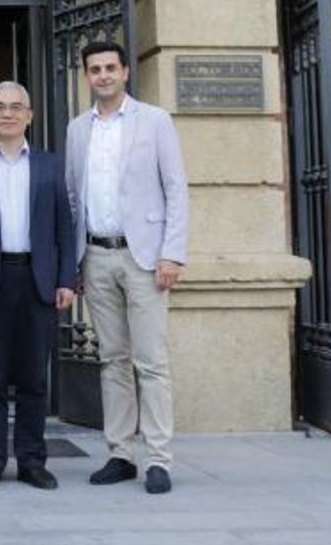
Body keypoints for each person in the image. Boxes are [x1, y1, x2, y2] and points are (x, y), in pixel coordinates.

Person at [65, 42, 189, 495]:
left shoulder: (154, 121)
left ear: (124, 73)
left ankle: (159, 458)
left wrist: (171, 253)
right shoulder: (78, 129)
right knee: (112, 360)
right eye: (94, 69)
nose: (102, 76)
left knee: (151, 362)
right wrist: (73, 260)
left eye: (109, 68)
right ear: (86, 76)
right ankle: (121, 453)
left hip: (145, 257)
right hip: (96, 256)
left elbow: (176, 189)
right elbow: (72, 197)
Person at [0, 81, 77, 490]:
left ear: (29, 115)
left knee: (32, 379)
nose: (7, 113)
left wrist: (66, 279)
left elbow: (65, 224)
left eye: (16, 107)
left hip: (38, 279)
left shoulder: (49, 164)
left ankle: (31, 461)